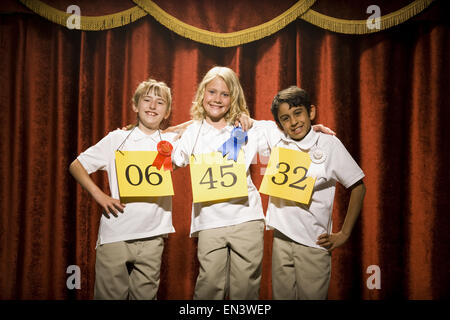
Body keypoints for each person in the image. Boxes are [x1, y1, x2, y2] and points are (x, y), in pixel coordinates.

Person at [69, 78, 177, 300]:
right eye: (147, 100)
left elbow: (200, 125)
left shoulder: (171, 140)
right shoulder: (116, 139)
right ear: (135, 106)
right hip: (116, 234)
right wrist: (100, 196)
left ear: (167, 112)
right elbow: (76, 166)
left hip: (153, 236)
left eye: (160, 102)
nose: (152, 106)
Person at [255, 86, 366, 299]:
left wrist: (344, 234)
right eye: (286, 118)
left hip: (313, 243)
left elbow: (358, 186)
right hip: (281, 239)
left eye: (298, 113)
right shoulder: (277, 139)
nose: (294, 122)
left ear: (311, 112)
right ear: (279, 124)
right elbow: (245, 119)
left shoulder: (328, 144)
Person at [172, 66, 266, 300]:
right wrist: (136, 133)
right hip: (210, 221)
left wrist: (312, 131)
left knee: (245, 291)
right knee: (208, 288)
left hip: (246, 218)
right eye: (212, 92)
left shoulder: (246, 128)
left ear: (234, 97)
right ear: (202, 93)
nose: (217, 99)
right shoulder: (192, 131)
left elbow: (283, 135)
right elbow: (172, 159)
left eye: (225, 94)